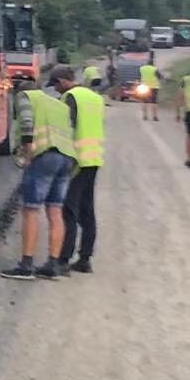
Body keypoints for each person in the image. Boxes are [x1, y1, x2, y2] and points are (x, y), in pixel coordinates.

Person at [2, 65, 77, 281]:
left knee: (31, 209)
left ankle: (26, 265)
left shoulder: (25, 96)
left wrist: (27, 153)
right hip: (66, 158)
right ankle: (52, 264)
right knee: (55, 211)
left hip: (45, 156)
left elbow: (26, 123)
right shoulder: (56, 103)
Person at [58, 67, 107, 274]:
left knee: (69, 210)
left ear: (63, 81)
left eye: (57, 85)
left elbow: (67, 127)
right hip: (94, 158)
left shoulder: (70, 97)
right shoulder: (96, 98)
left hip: (76, 159)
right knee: (87, 211)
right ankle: (85, 258)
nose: (57, 90)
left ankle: (63, 260)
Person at [139, 54, 164, 121]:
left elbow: (140, 76)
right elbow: (160, 77)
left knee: (144, 102)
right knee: (154, 102)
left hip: (144, 87)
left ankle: (145, 116)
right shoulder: (154, 69)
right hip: (154, 87)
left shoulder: (142, 68)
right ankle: (154, 116)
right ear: (153, 64)